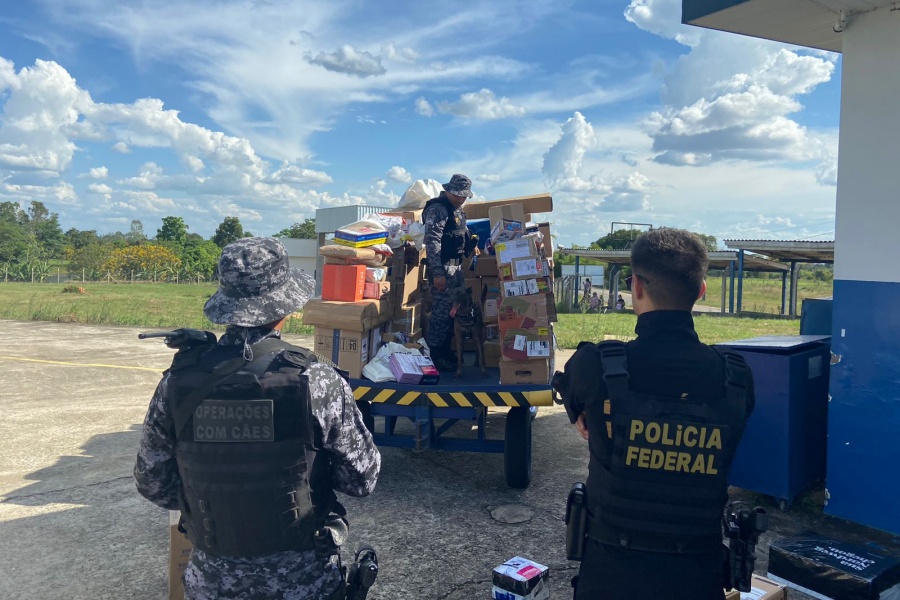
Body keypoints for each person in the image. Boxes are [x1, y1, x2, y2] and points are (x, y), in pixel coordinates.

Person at [134, 237, 381, 600]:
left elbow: (153, 483)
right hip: (304, 581)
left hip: (213, 581)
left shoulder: (177, 383)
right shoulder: (316, 380)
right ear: (284, 309)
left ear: (227, 306)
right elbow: (362, 479)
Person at [553, 228, 755, 600]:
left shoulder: (595, 367)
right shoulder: (736, 377)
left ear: (636, 288)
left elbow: (566, 387)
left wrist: (585, 415)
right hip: (696, 578)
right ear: (701, 291)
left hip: (610, 578)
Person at [423, 173, 476, 372]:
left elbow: (460, 233)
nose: (462, 199)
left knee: (453, 312)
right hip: (443, 269)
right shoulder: (438, 209)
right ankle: (436, 356)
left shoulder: (458, 211)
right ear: (449, 191)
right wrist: (437, 273)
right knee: (441, 314)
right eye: (459, 195)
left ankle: (446, 352)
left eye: (464, 196)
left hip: (457, 269)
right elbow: (432, 241)